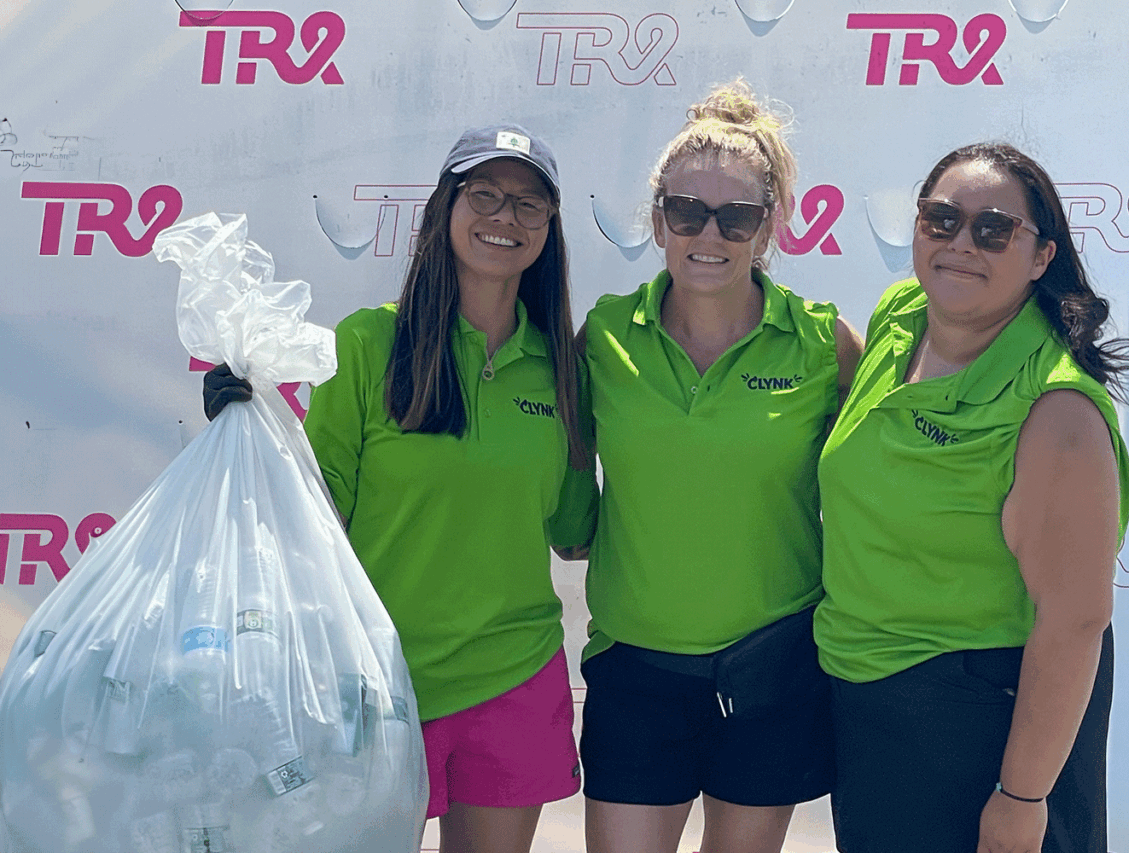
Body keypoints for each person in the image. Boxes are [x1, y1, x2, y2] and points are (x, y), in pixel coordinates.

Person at [204, 124, 598, 853]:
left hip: (512, 678)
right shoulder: (365, 345)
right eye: (483, 194)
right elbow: (308, 512)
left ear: (550, 227)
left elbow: (575, 531)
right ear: (443, 208)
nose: (504, 217)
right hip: (372, 684)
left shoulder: (563, 371)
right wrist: (251, 427)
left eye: (528, 203)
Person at [816, 142, 1129, 853]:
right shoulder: (901, 316)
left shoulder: (1057, 412)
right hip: (871, 707)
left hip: (982, 723)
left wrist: (1023, 797)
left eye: (993, 229)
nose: (961, 243)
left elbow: (1078, 619)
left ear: (1041, 256)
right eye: (941, 219)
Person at [575, 80, 862, 853]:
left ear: (768, 226)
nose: (710, 232)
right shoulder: (603, 336)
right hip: (637, 668)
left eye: (736, 215)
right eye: (685, 211)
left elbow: (876, 495)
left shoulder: (825, 343)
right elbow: (566, 503)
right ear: (657, 216)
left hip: (771, 665)